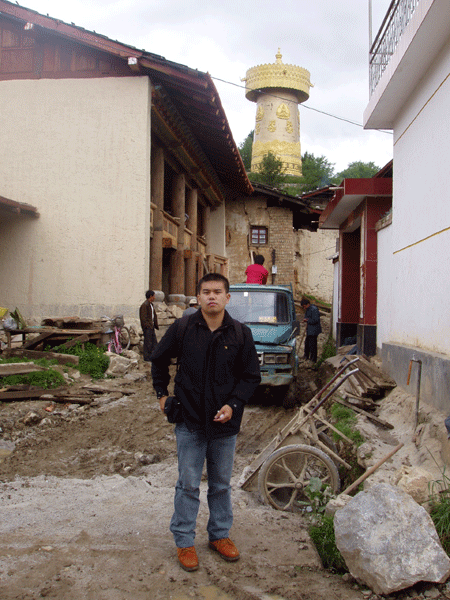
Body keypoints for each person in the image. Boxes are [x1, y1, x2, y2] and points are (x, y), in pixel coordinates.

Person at [151, 273, 261, 572]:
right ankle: (184, 540)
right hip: (189, 421)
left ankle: (219, 535)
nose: (212, 297)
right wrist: (162, 395)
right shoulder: (184, 328)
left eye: (218, 292)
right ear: (198, 297)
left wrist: (233, 404)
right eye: (206, 292)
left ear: (228, 297)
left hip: (224, 425)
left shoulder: (240, 333)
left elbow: (251, 376)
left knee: (221, 485)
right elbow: (158, 359)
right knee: (187, 484)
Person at [300, 298, 322, 364]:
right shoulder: (308, 309)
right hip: (310, 330)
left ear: (308, 304)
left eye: (304, 306)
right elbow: (307, 317)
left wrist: (307, 320)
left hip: (314, 330)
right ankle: (306, 356)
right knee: (307, 343)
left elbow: (315, 320)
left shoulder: (314, 309)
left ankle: (313, 359)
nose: (304, 308)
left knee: (313, 345)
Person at [139, 290, 159, 362]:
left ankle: (153, 356)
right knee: (148, 342)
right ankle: (147, 357)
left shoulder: (151, 305)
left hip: (151, 326)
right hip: (148, 327)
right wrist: (147, 326)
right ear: (150, 296)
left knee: (154, 342)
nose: (154, 297)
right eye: (153, 296)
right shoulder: (145, 305)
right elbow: (143, 318)